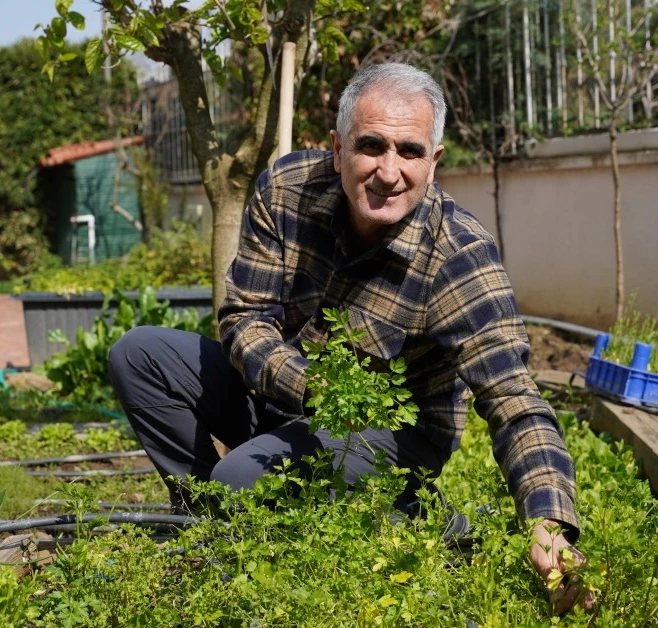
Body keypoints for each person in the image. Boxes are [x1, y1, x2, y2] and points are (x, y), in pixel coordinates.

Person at [109, 62, 591, 613]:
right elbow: (244, 319)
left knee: (240, 477)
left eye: (409, 152)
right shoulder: (288, 190)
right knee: (140, 355)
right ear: (338, 149)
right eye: (371, 146)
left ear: (433, 163)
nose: (389, 172)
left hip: (391, 437)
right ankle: (205, 524)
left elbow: (514, 399)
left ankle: (420, 512)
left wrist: (548, 522)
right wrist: (313, 387)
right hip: (284, 399)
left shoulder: (457, 257)